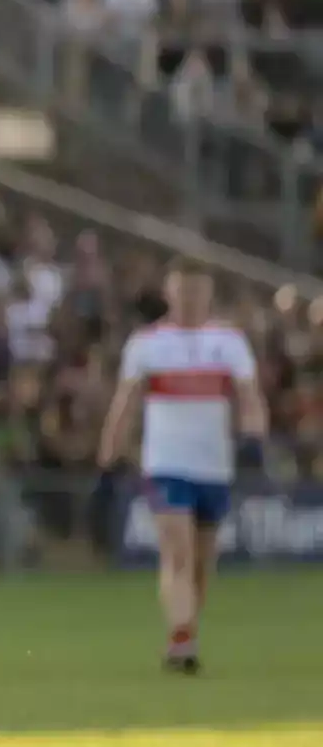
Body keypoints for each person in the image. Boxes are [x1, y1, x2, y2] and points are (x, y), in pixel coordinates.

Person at [98, 261, 268, 674]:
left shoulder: (228, 342)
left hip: (214, 466)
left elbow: (249, 398)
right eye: (183, 291)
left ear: (208, 295)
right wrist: (108, 455)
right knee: (178, 553)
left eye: (198, 291)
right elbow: (124, 404)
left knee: (201, 565)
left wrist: (254, 438)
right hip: (165, 464)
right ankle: (181, 641)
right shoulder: (147, 344)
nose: (190, 299)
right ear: (169, 293)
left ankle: (184, 631)